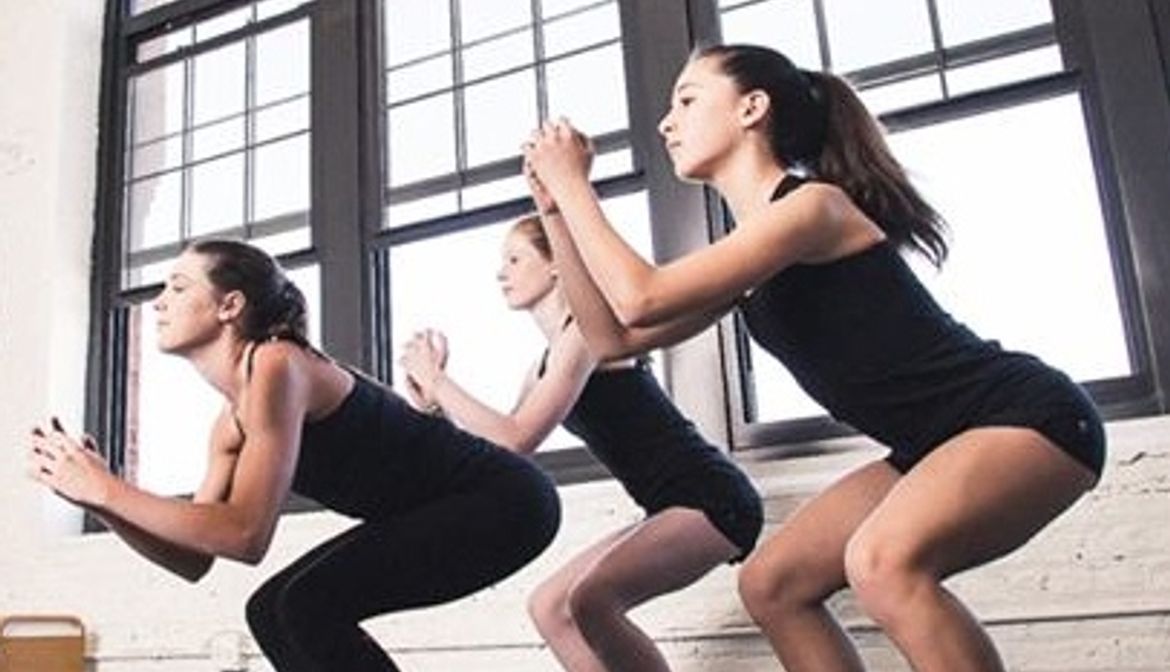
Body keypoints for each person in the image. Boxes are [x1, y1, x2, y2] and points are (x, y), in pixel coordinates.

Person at [521, 43, 1105, 672]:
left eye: (686, 101)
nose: (666, 122)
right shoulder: (753, 253)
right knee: (773, 583)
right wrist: (556, 213)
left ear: (752, 108)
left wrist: (575, 184)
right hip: (931, 444)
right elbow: (614, 339)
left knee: (882, 562)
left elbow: (641, 298)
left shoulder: (812, 207)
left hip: (1020, 416)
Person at [26, 238, 560, 672]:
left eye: (179, 286)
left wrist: (106, 487)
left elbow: (244, 534)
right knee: (271, 611)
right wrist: (101, 502)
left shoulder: (278, 364)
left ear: (229, 305)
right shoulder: (229, 423)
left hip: (503, 500)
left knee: (306, 606)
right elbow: (193, 558)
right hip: (435, 510)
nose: (159, 301)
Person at [398, 211, 762, 672]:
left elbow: (516, 437)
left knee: (592, 598)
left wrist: (439, 380)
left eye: (514, 258)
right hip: (668, 506)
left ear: (555, 265)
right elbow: (501, 447)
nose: (500, 272)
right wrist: (433, 403)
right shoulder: (545, 363)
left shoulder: (586, 334)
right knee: (551, 608)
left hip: (712, 498)